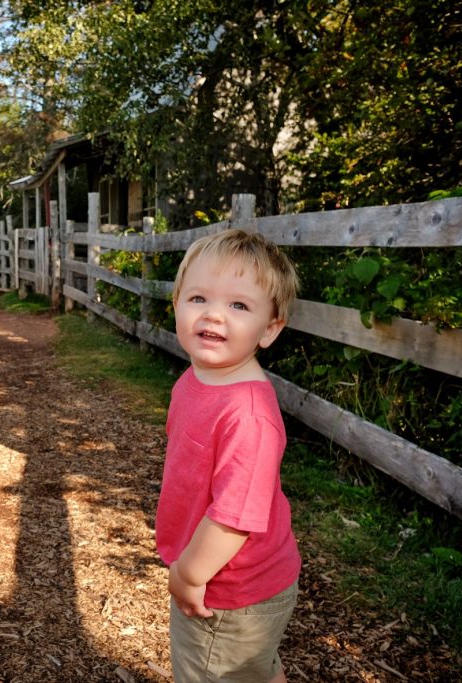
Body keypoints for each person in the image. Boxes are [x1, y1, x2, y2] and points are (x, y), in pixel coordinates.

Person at [155, 229, 302, 683]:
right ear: (177, 304)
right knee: (255, 671)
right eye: (198, 297)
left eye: (239, 306)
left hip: (229, 591)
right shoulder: (196, 380)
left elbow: (234, 517)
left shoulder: (248, 416)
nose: (214, 314)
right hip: (226, 579)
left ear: (270, 329)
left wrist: (188, 574)